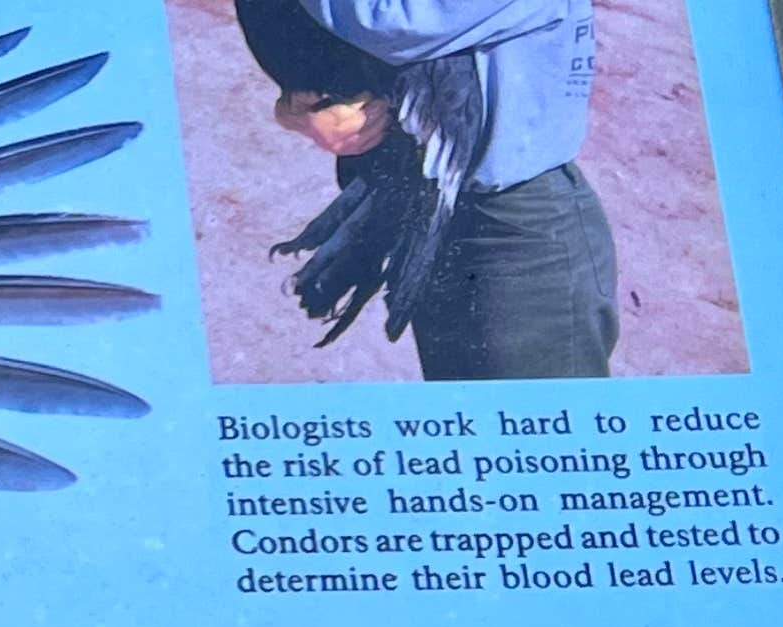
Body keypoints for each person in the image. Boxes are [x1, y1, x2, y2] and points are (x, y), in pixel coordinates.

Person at [256, 0, 615, 380]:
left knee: (540, 429)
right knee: (468, 420)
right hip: (431, 207)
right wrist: (302, 104)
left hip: (519, 232)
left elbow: (390, 21)